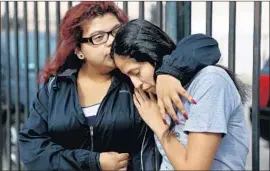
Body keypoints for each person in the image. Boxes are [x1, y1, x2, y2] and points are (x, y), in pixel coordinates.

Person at [111, 19, 250, 170]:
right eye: (129, 77)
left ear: (154, 55)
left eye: (137, 72)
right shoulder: (155, 96)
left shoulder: (209, 81)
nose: (136, 84)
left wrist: (159, 124)